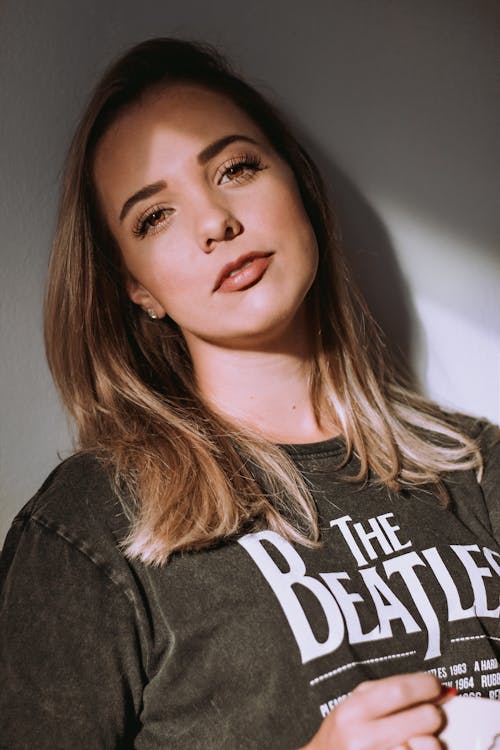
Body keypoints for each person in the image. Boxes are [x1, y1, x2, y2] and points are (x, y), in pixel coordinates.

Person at [1, 37, 499, 749]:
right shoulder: (89, 531)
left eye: (235, 168)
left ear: (295, 183)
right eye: (154, 215)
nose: (214, 223)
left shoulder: (478, 467)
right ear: (137, 287)